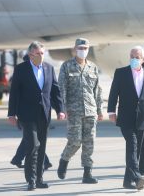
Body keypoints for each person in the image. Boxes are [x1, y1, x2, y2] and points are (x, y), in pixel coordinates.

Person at [7, 41, 65, 191]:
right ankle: (31, 180)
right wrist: (11, 114)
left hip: (44, 113)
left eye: (42, 53)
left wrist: (60, 110)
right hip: (26, 114)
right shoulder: (21, 69)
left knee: (41, 146)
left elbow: (55, 91)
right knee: (33, 145)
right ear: (30, 54)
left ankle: (39, 179)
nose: (41, 56)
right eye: (38, 53)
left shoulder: (49, 68)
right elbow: (14, 93)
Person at [107, 46, 144, 190]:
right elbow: (113, 93)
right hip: (125, 118)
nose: (134, 59)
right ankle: (137, 177)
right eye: (132, 56)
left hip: (142, 119)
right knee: (132, 145)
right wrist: (111, 111)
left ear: (143, 60)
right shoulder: (121, 73)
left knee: (135, 151)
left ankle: (127, 181)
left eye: (137, 57)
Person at [57, 38, 103, 184]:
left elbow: (97, 90)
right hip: (74, 110)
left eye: (85, 48)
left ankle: (87, 173)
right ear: (75, 49)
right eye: (80, 47)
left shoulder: (93, 67)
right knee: (75, 141)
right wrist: (63, 109)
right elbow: (62, 88)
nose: (83, 50)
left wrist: (99, 110)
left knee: (90, 142)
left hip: (90, 110)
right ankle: (64, 160)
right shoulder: (67, 66)